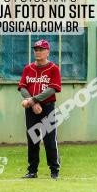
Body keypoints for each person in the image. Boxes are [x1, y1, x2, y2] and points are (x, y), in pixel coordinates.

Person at [18, 39, 61, 179]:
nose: (38, 52)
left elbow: (53, 89)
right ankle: (32, 170)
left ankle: (54, 171)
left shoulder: (53, 68)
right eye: (36, 49)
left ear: (47, 52)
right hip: (31, 109)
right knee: (33, 139)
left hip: (47, 108)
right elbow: (22, 87)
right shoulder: (28, 68)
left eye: (41, 49)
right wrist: (32, 103)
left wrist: (33, 100)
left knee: (49, 140)